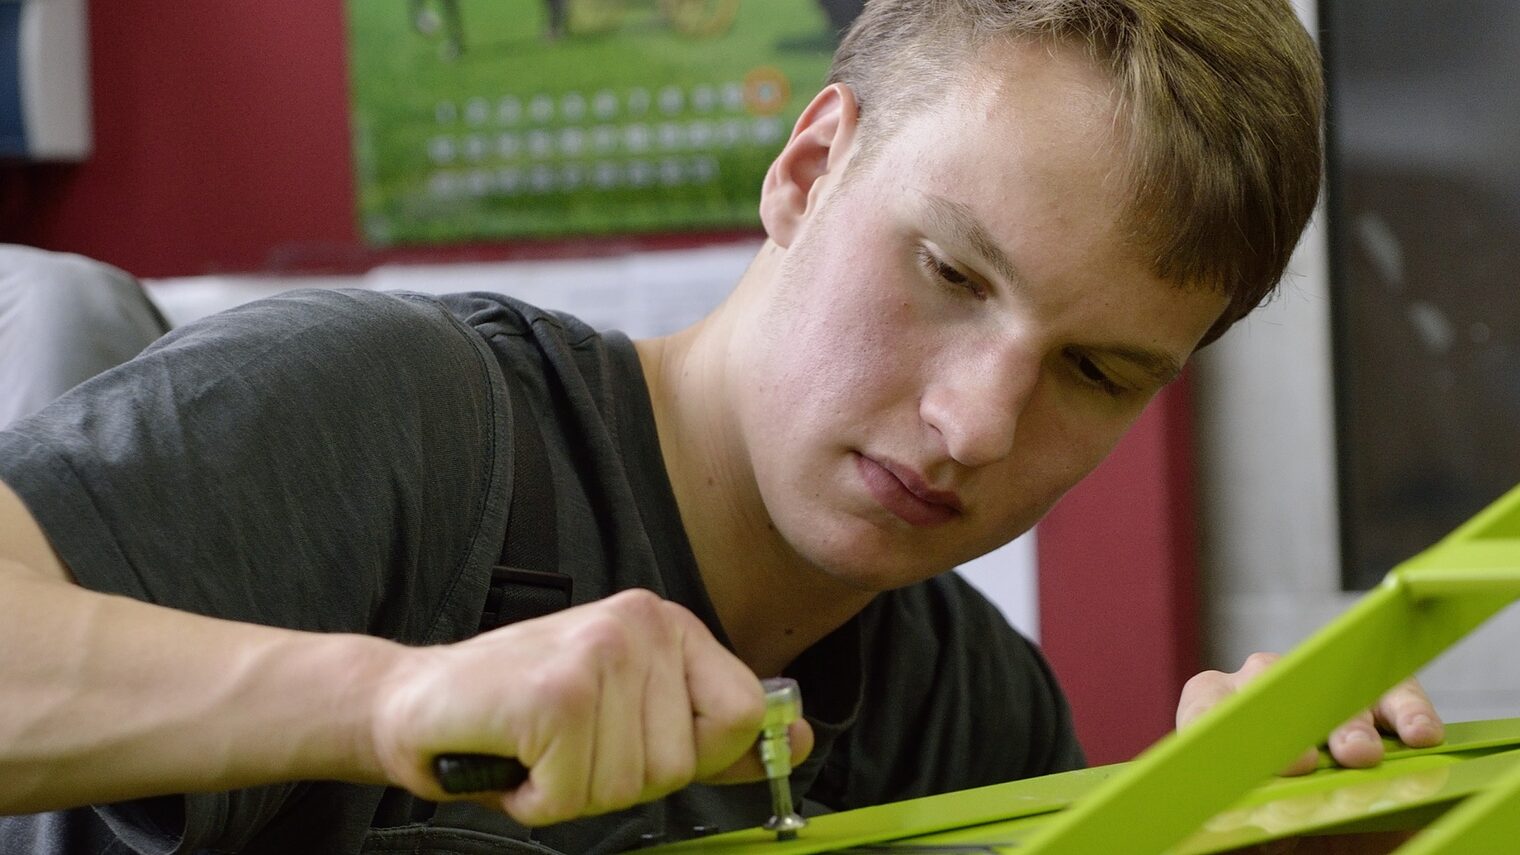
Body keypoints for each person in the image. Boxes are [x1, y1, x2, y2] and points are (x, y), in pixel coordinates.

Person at [0, 1, 1443, 853]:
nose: (975, 424)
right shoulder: (399, 416)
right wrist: (382, 703)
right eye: (947, 273)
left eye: (1099, 374)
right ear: (811, 170)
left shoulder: (977, 719)